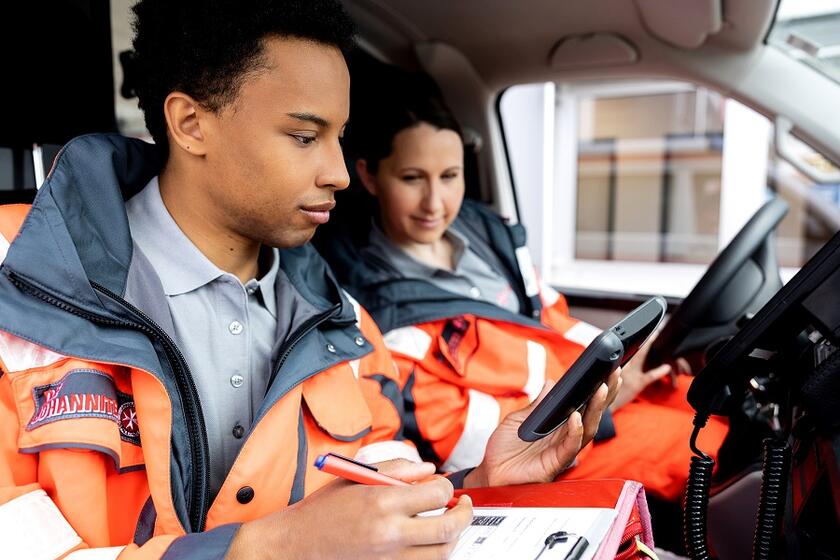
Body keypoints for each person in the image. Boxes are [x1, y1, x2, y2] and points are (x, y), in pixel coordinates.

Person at [0, 2, 620, 559]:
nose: (339, 174)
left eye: (340, 137)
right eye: (304, 136)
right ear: (191, 124)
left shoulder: (346, 328)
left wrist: (478, 487)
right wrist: (267, 549)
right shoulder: (16, 278)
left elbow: (377, 507)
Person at [323, 89, 729, 503]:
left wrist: (628, 361)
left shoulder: (487, 234)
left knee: (708, 403)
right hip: (545, 452)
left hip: (583, 398)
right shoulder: (378, 312)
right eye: (412, 178)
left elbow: (551, 318)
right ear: (370, 177)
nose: (435, 203)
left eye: (449, 176)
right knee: (713, 450)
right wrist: (600, 406)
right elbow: (461, 441)